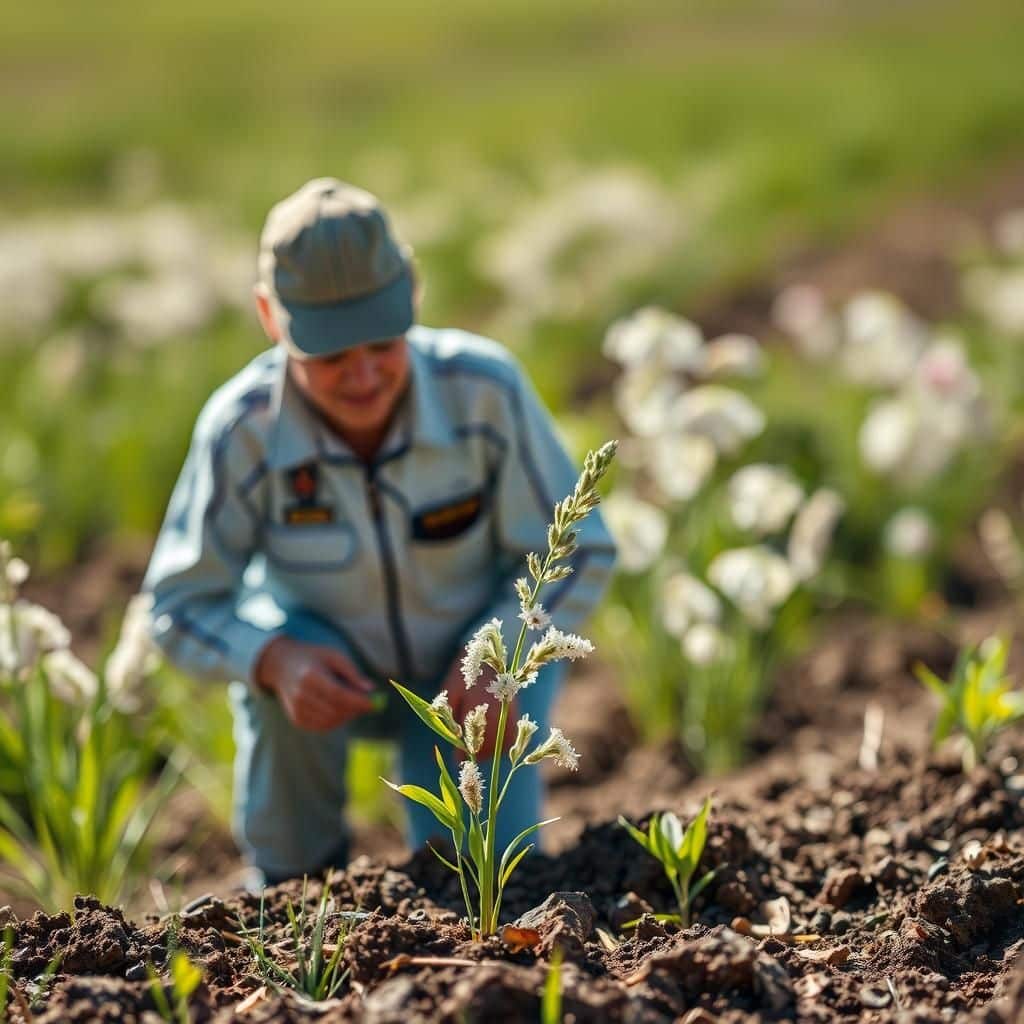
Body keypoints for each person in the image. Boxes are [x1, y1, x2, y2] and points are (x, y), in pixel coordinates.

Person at [144, 177, 615, 885]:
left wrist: (501, 654)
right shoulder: (243, 431)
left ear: (413, 295)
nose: (362, 375)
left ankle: (470, 883)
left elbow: (578, 548)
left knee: (490, 876)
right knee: (283, 693)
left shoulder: (483, 390)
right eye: (330, 355)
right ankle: (295, 893)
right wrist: (272, 660)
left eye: (381, 344)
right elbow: (174, 604)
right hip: (325, 683)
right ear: (271, 319)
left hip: (472, 677)